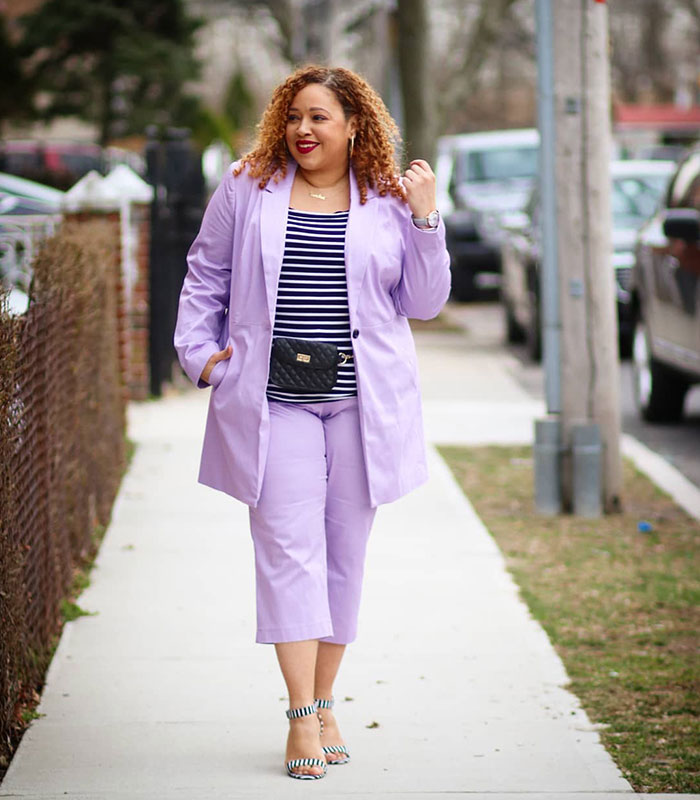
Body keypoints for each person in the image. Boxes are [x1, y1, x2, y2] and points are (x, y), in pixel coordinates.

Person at [173, 64, 450, 780]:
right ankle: (301, 715)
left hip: (362, 403)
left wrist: (426, 217)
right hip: (273, 398)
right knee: (286, 551)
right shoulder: (246, 185)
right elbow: (205, 272)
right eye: (294, 115)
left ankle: (327, 698)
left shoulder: (388, 199)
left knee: (342, 557)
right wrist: (202, 358)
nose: (303, 128)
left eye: (320, 117)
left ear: (355, 124)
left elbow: (423, 302)